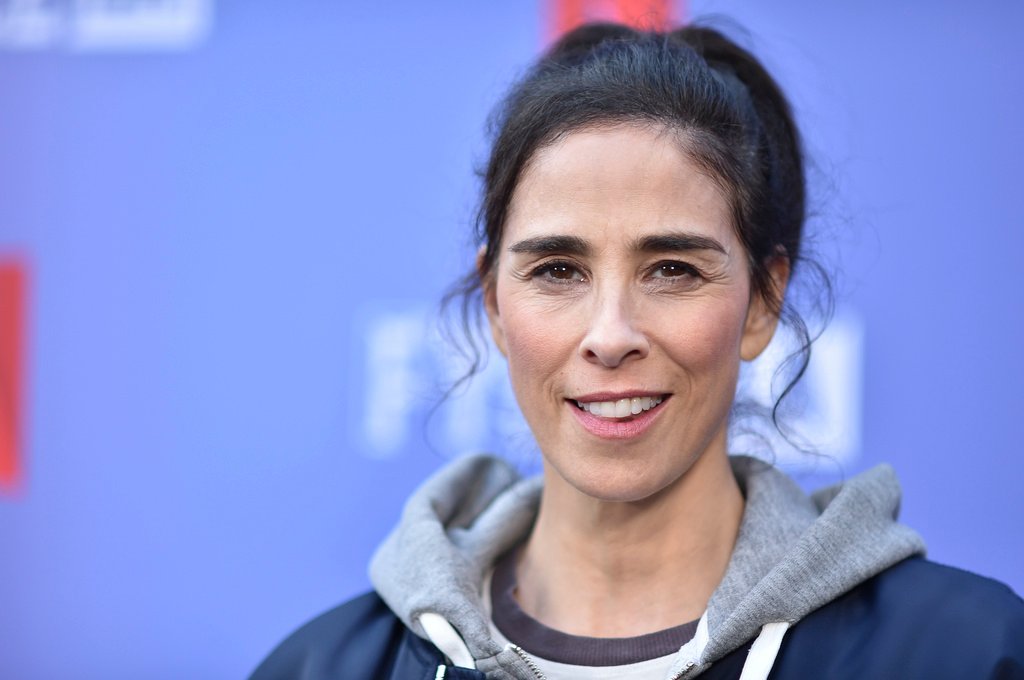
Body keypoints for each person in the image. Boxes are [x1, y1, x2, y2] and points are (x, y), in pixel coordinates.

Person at [250, 22, 1024, 680]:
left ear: (763, 300)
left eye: (673, 269)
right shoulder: (324, 667)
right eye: (558, 270)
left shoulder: (963, 653)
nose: (611, 334)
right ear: (494, 303)